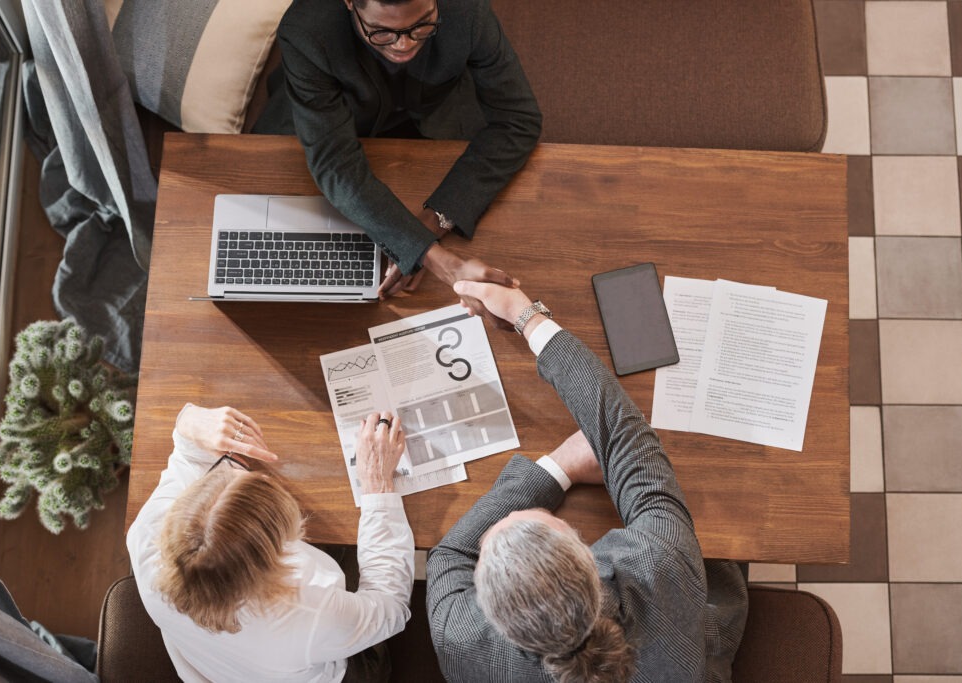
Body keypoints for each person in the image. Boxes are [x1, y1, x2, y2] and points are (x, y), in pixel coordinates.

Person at [426, 281, 750, 682]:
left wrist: (558, 467)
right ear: (587, 554)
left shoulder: (459, 636)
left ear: (489, 614)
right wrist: (525, 315)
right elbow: (623, 436)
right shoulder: (657, 562)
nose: (503, 521)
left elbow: (449, 555)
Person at [254, 0, 542, 309]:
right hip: (332, 110)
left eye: (422, 24)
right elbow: (335, 165)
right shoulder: (306, 29)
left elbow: (518, 119)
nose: (404, 46)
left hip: (436, 107)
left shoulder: (468, 9)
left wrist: (432, 222)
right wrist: (434, 257)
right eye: (381, 32)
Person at [126, 404, 413, 682]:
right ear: (282, 548)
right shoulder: (310, 614)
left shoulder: (147, 536)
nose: (238, 465)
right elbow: (389, 606)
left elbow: (186, 458)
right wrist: (377, 486)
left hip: (216, 665)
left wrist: (189, 419)